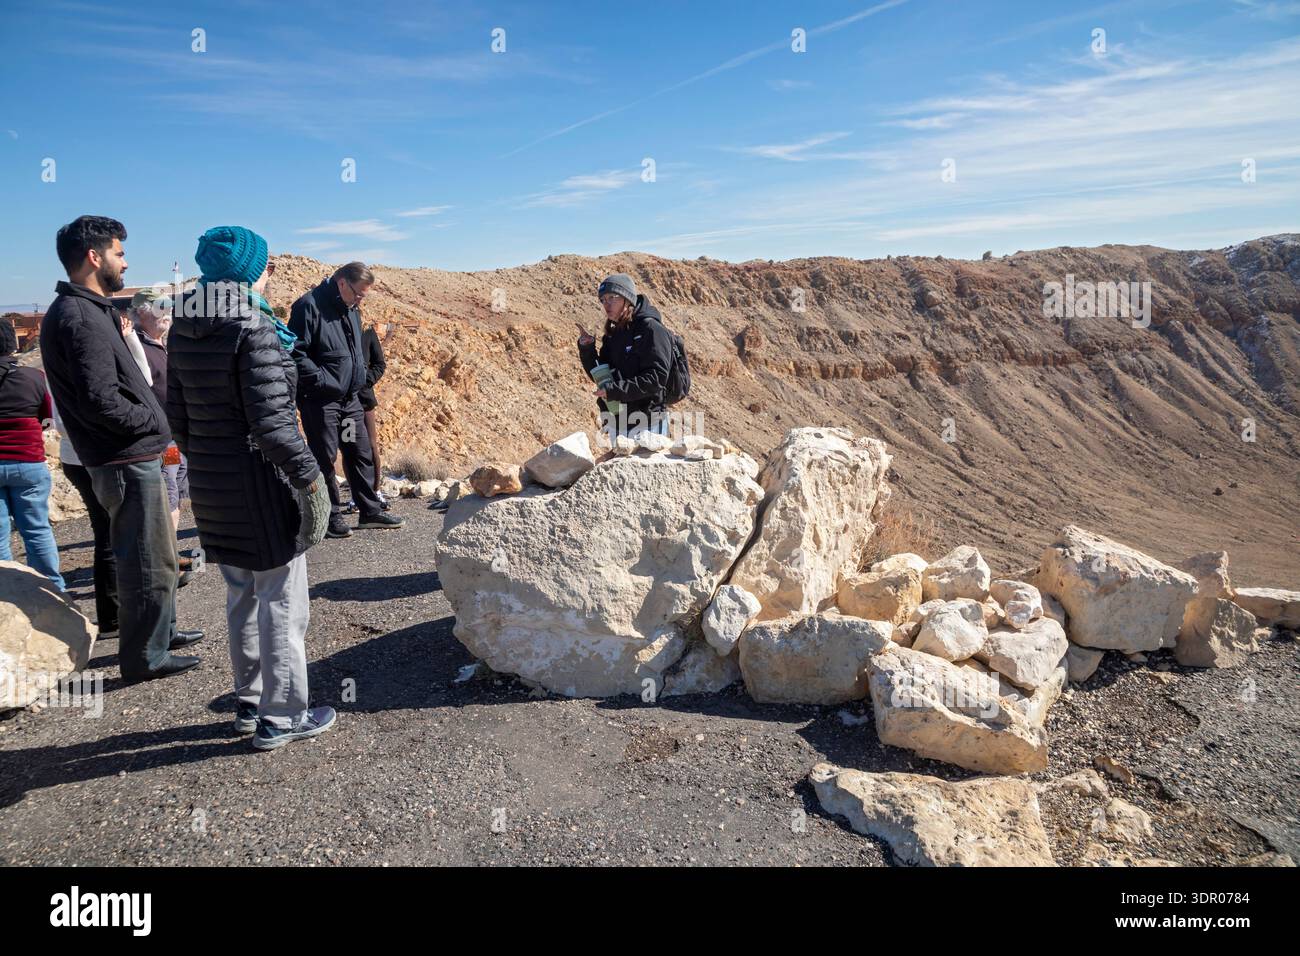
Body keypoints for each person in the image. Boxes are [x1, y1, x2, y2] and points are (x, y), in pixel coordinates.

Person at [168, 226, 336, 750]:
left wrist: (210, 463)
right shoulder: (254, 326)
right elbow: (272, 425)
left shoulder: (184, 323)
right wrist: (312, 481)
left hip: (215, 485)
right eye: (264, 264)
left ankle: (250, 701)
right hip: (261, 484)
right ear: (247, 270)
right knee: (282, 600)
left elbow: (178, 415)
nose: (270, 272)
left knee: (241, 595)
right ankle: (282, 717)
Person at [41, 215, 201, 682]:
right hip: (125, 459)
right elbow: (99, 399)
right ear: (95, 256)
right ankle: (146, 657)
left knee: (161, 554)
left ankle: (163, 633)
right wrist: (153, 420)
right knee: (144, 561)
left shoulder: (91, 309)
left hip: (135, 454)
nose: (125, 263)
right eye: (119, 253)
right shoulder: (77, 316)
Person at [288, 262, 402, 537]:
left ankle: (369, 511)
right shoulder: (308, 306)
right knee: (325, 458)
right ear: (342, 284)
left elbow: (355, 352)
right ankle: (330, 517)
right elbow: (296, 353)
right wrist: (323, 381)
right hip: (321, 402)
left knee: (357, 451)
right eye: (359, 294)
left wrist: (358, 379)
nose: (361, 300)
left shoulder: (351, 309)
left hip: (349, 401)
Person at [0, 317, 65, 589]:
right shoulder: (33, 377)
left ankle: (7, 595)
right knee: (37, 530)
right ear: (12, 344)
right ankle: (53, 590)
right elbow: (47, 419)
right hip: (28, 463)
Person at [577, 273, 674, 436]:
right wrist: (587, 350)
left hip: (648, 423)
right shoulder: (614, 333)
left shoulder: (651, 329)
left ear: (626, 298)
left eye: (612, 298)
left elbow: (657, 378)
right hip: (618, 422)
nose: (606, 304)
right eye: (603, 300)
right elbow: (602, 375)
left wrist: (614, 391)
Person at [358, 317, 388, 508]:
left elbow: (379, 364)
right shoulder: (338, 331)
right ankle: (357, 494)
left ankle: (376, 490)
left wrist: (365, 381)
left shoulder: (367, 333)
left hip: (364, 401)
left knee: (370, 445)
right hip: (345, 402)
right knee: (350, 444)